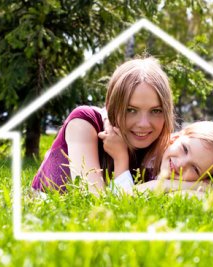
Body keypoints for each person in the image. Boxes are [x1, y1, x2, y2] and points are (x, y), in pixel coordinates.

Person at [31, 57, 174, 196]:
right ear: (110, 105)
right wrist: (121, 159)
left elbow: (193, 195)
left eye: (156, 111)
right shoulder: (84, 124)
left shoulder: (169, 151)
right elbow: (93, 199)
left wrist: (175, 185)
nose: (143, 124)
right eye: (130, 110)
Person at [98, 121, 213, 195]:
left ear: (204, 179)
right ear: (177, 137)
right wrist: (121, 158)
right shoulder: (144, 141)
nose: (181, 164)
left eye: (195, 169)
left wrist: (167, 185)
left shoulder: (175, 183)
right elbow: (120, 198)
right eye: (185, 149)